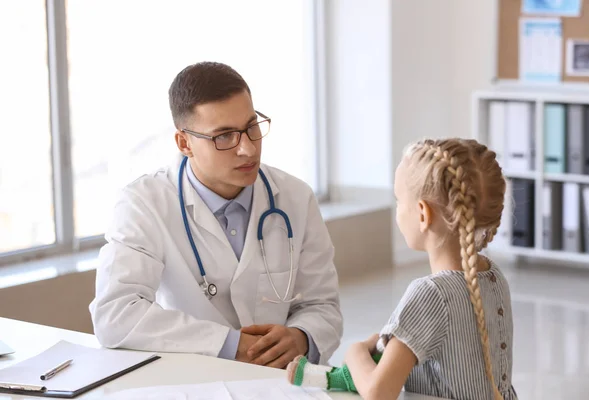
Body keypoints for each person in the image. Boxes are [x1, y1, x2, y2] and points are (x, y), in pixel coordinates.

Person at [89, 61, 343, 368]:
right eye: (224, 136)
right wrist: (228, 344)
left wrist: (302, 337)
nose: (248, 149)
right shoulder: (144, 203)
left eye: (252, 127)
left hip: (281, 380)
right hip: (195, 378)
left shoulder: (295, 197)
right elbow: (115, 314)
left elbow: (322, 305)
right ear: (185, 143)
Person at [288, 138, 517, 400]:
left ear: (422, 214)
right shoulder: (494, 276)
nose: (398, 209)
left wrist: (356, 353)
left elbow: (378, 392)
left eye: (399, 201)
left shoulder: (430, 294)